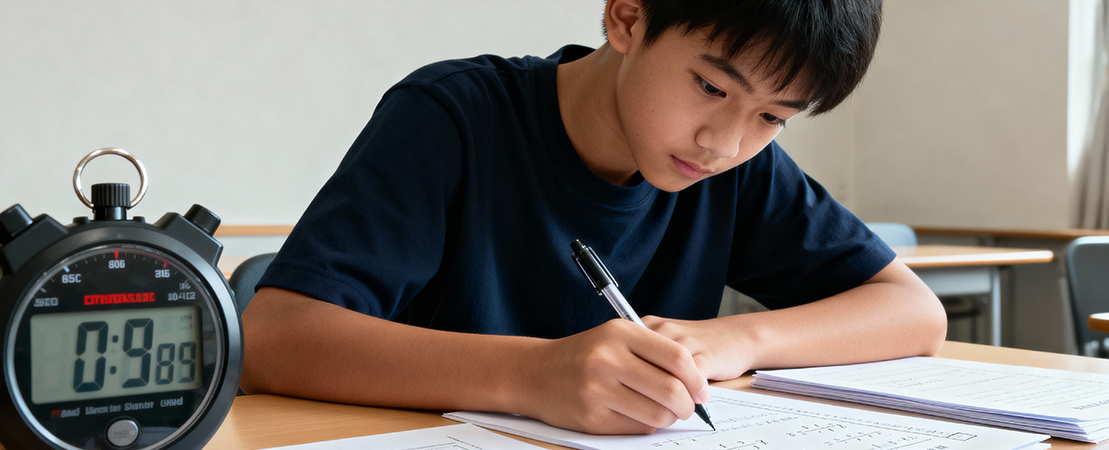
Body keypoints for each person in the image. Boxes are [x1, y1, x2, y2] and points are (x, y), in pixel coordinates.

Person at [240, 0, 947, 435]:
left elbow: (913, 313)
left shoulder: (736, 169)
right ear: (628, 17)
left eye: (772, 117)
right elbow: (275, 338)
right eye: (709, 86)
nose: (724, 141)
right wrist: (532, 374)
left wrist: (736, 340)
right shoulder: (454, 116)